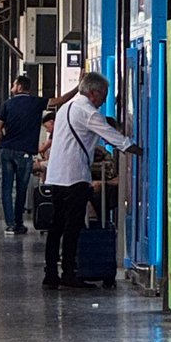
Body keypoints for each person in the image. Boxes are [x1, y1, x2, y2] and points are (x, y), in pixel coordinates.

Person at [43, 72, 140, 290]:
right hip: (74, 176)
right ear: (93, 93)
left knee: (56, 226)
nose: (104, 101)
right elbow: (114, 137)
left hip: (57, 175)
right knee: (73, 227)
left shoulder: (66, 107)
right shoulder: (88, 111)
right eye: (104, 95)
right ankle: (69, 272)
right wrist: (140, 150)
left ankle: (50, 274)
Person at [0, 75, 75, 236]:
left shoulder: (7, 104)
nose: (12, 88)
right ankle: (19, 223)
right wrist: (78, 88)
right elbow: (60, 100)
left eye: (13, 85)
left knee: (6, 188)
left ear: (19, 87)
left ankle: (10, 224)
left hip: (7, 150)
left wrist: (5, 142)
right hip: (25, 152)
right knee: (21, 188)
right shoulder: (36, 102)